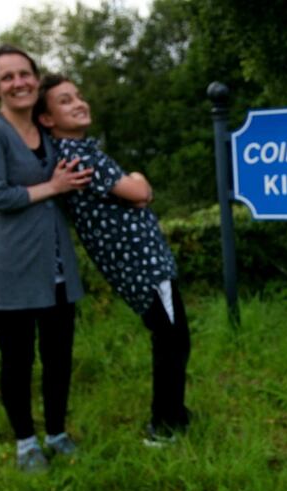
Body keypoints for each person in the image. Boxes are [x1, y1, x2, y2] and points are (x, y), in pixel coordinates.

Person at [34, 74, 192, 445]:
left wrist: (135, 192)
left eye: (79, 96)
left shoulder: (77, 153)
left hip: (140, 264)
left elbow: (133, 197)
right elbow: (139, 191)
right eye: (65, 101)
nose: (79, 103)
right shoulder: (79, 157)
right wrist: (137, 180)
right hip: (144, 265)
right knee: (172, 339)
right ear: (47, 119)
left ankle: (174, 413)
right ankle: (165, 425)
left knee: (170, 335)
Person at [0, 46, 92, 472]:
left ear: (36, 80)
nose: (19, 82)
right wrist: (54, 187)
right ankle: (26, 443)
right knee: (17, 362)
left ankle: (56, 434)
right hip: (10, 271)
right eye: (7, 77)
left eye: (25, 74)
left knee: (59, 358)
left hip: (58, 269)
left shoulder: (48, 134)